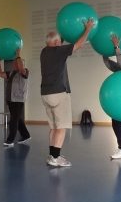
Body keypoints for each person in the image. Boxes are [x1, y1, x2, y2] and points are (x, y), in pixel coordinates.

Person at [40, 19, 94, 167]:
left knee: (53, 128)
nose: (61, 43)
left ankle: (52, 155)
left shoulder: (44, 52)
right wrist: (87, 29)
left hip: (45, 94)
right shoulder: (58, 51)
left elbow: (62, 42)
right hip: (58, 93)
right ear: (57, 43)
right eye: (60, 42)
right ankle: (56, 159)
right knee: (61, 127)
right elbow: (77, 45)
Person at [0, 49, 30, 147]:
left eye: (17, 62)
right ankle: (26, 135)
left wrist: (18, 55)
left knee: (13, 120)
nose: (15, 64)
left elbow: (21, 68)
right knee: (17, 119)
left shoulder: (25, 72)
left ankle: (10, 140)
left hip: (18, 100)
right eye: (15, 63)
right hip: (10, 100)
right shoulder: (11, 73)